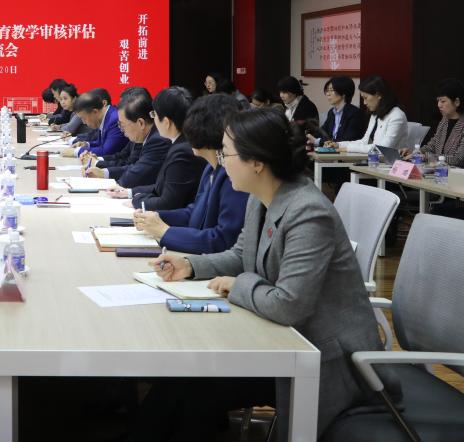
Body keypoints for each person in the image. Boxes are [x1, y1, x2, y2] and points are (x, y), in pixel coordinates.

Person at [139, 108, 390, 439]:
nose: (222, 162)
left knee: (197, 390)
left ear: (256, 162)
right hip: (282, 337)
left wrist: (238, 284)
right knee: (181, 380)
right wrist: (191, 265)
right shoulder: (261, 198)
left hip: (327, 359)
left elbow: (288, 304)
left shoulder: (308, 212)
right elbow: (241, 255)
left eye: (226, 153)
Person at [132, 94, 248, 254]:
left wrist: (164, 231)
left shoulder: (233, 176)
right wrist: (155, 217)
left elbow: (222, 240)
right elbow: (194, 213)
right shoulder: (210, 168)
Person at [107, 86, 205, 211]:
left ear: (166, 122)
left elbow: (167, 203)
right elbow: (162, 186)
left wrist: (137, 201)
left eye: (154, 115)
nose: (152, 120)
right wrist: (130, 192)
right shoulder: (179, 143)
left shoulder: (182, 151)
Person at [87, 88, 170, 188]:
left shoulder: (157, 140)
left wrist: (103, 174)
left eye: (122, 125)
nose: (121, 130)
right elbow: (126, 159)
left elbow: (133, 176)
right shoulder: (142, 134)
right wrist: (102, 171)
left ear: (141, 123)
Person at [331, 75, 408, 153]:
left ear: (379, 95)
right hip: (375, 158)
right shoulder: (375, 114)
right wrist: (339, 145)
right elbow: (365, 141)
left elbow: (383, 148)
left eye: (366, 98)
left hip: (391, 160)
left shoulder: (397, 116)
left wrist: (348, 149)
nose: (364, 103)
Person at [409, 77, 464, 166]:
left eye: (443, 101)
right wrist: (415, 152)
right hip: (439, 171)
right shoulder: (444, 120)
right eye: (438, 101)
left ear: (457, 102)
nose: (439, 105)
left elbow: (458, 159)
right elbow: (432, 145)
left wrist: (426, 156)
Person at [61, 91, 126, 158]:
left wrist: (76, 151)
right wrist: (87, 144)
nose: (84, 122)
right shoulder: (105, 116)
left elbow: (106, 151)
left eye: (83, 118)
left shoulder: (114, 119)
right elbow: (100, 143)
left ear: (95, 111)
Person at [306, 76, 366, 146]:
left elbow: (348, 139)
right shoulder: (331, 112)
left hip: (348, 152)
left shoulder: (355, 113)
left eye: (331, 90)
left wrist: (318, 141)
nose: (328, 94)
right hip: (333, 151)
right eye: (327, 90)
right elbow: (322, 132)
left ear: (343, 93)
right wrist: (308, 136)